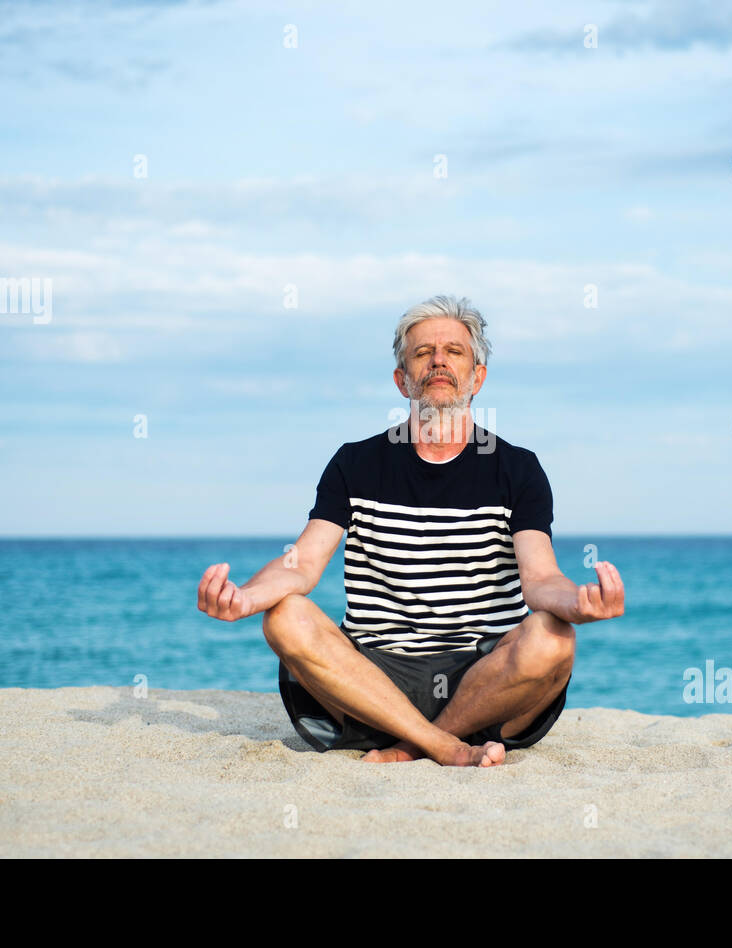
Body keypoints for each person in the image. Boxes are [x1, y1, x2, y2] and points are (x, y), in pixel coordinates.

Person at [197, 295, 624, 767]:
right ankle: (441, 745)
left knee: (553, 635)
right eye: (423, 353)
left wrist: (579, 604)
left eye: (454, 351)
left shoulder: (517, 469)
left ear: (477, 377)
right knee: (283, 617)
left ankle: (410, 745)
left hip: (481, 681)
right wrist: (247, 598)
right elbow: (303, 564)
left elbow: (541, 578)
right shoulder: (355, 463)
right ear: (402, 380)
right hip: (372, 679)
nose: (438, 360)